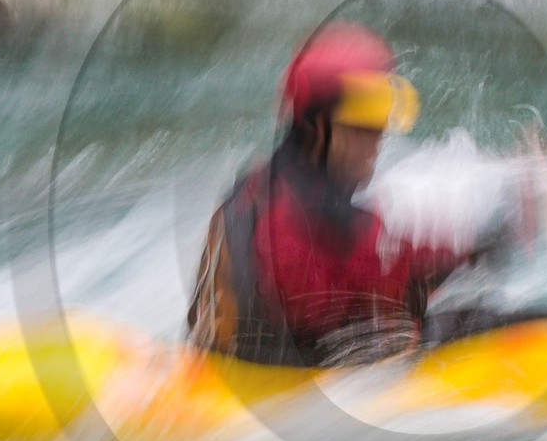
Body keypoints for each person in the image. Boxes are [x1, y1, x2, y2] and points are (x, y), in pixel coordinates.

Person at [187, 22, 494, 366]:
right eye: (363, 120)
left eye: (382, 115)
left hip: (251, 369)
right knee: (478, 323)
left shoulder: (256, 188)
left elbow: (394, 266)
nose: (379, 135)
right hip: (284, 387)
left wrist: (476, 249)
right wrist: (486, 249)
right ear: (317, 126)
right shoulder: (310, 228)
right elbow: (388, 286)